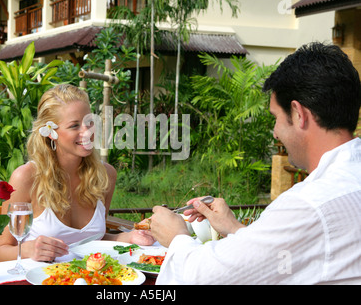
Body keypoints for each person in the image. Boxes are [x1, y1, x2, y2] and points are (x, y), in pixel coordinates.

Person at [150, 42, 361, 284]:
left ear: (298, 114)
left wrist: (176, 237)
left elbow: (207, 278)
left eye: (276, 118)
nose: (275, 132)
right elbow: (297, 255)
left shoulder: (310, 204)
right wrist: (234, 227)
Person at [0, 84, 154, 263]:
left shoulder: (105, 175)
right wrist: (28, 249)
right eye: (74, 126)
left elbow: (93, 242)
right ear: (51, 133)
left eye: (89, 122)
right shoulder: (25, 178)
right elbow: (1, 252)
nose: (87, 133)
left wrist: (130, 237)